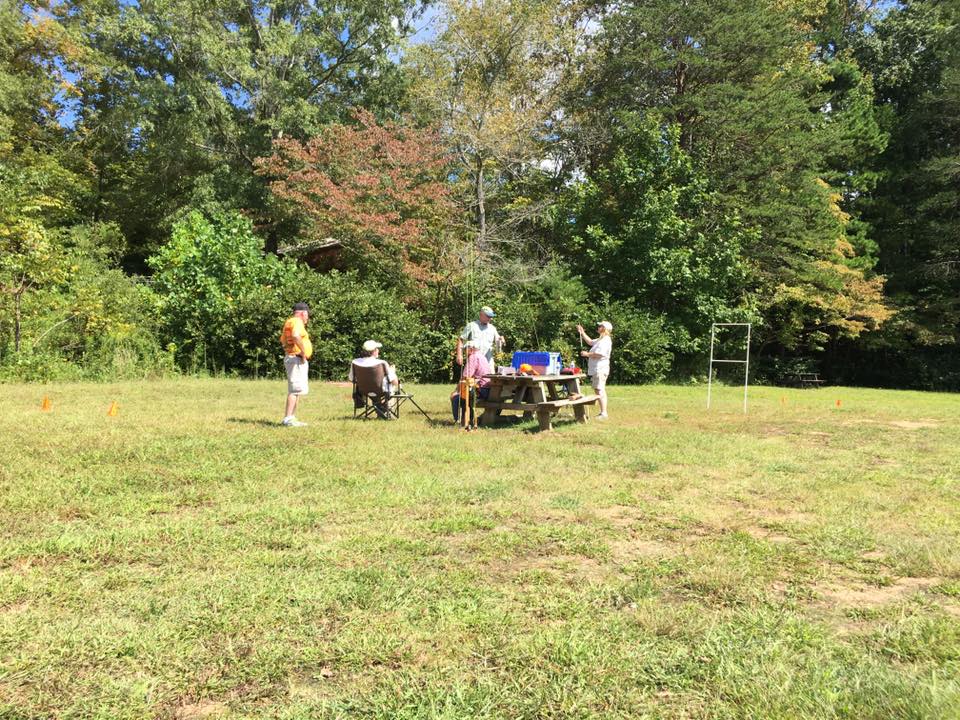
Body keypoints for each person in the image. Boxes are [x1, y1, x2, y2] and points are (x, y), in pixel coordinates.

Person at [279, 302, 313, 426]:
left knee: (297, 389)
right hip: (297, 359)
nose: (307, 318)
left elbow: (283, 340)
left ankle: (292, 418)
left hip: (292, 358)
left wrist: (289, 350)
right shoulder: (297, 322)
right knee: (294, 390)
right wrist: (303, 352)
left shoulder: (289, 322)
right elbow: (295, 335)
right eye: (307, 315)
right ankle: (288, 418)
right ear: (303, 313)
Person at [349, 340, 399, 418]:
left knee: (375, 389)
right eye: (377, 349)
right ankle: (387, 412)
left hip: (363, 391)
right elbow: (395, 382)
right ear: (374, 351)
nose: (378, 350)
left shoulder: (355, 362)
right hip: (381, 391)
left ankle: (380, 411)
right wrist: (393, 371)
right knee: (391, 386)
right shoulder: (382, 363)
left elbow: (351, 378)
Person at [451, 340, 492, 427]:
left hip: (480, 390)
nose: (465, 352)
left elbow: (465, 377)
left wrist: (456, 391)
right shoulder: (482, 356)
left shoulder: (473, 357)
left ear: (471, 349)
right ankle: (465, 420)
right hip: (488, 390)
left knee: (455, 398)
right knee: (462, 396)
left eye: (466, 349)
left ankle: (458, 421)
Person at [577, 320, 612, 419]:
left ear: (604, 329)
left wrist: (587, 354)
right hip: (598, 369)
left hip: (600, 369)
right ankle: (603, 412)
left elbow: (600, 354)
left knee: (599, 390)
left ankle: (603, 413)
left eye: (600, 326)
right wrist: (582, 332)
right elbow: (590, 342)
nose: (598, 327)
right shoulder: (601, 339)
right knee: (600, 389)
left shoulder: (606, 340)